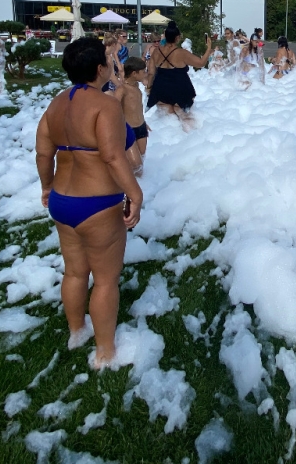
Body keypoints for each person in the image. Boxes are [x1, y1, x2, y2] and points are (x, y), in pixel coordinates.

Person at [35, 37, 143, 369]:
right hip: (98, 203)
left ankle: (76, 331)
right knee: (106, 279)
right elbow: (112, 156)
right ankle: (105, 352)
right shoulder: (105, 106)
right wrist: (135, 194)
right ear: (100, 68)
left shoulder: (56, 104)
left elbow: (43, 153)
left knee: (74, 271)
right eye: (108, 62)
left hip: (62, 200)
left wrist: (46, 186)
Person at [145, 22, 212, 129]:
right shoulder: (181, 53)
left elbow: (151, 73)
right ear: (177, 38)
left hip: (161, 89)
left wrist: (149, 88)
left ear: (165, 36)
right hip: (180, 90)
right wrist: (208, 49)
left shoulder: (156, 52)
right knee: (187, 121)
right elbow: (201, 63)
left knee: (168, 125)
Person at [120, 57, 149, 159]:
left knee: (142, 157)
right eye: (143, 72)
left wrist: (144, 121)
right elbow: (114, 108)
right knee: (134, 162)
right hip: (128, 129)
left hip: (141, 126)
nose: (145, 74)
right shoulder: (122, 89)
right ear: (134, 73)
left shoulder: (136, 85)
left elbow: (137, 107)